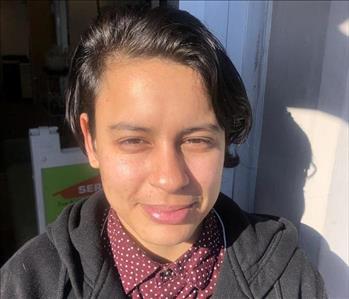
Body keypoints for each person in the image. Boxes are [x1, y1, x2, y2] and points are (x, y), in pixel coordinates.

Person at [1, 7, 326, 299]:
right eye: (134, 141)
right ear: (91, 141)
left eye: (197, 140)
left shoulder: (287, 278)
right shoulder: (29, 284)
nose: (170, 179)